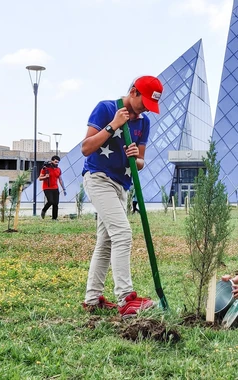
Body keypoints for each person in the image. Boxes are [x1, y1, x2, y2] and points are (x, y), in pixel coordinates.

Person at [80, 75, 163, 317]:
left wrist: (136, 156)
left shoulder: (143, 123)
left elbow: (140, 163)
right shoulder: (106, 109)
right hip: (98, 178)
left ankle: (92, 299)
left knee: (105, 242)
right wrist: (113, 125)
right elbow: (86, 148)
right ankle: (126, 298)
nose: (146, 108)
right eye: (144, 102)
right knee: (123, 234)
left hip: (121, 186)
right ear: (134, 92)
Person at [39, 156, 66, 220]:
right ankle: (44, 210)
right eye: (55, 162)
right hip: (47, 188)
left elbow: (60, 180)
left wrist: (64, 188)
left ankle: (54, 218)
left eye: (58, 162)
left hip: (55, 188)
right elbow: (40, 178)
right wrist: (45, 177)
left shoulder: (58, 169)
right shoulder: (45, 168)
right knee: (50, 201)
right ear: (52, 161)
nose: (57, 163)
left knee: (56, 203)